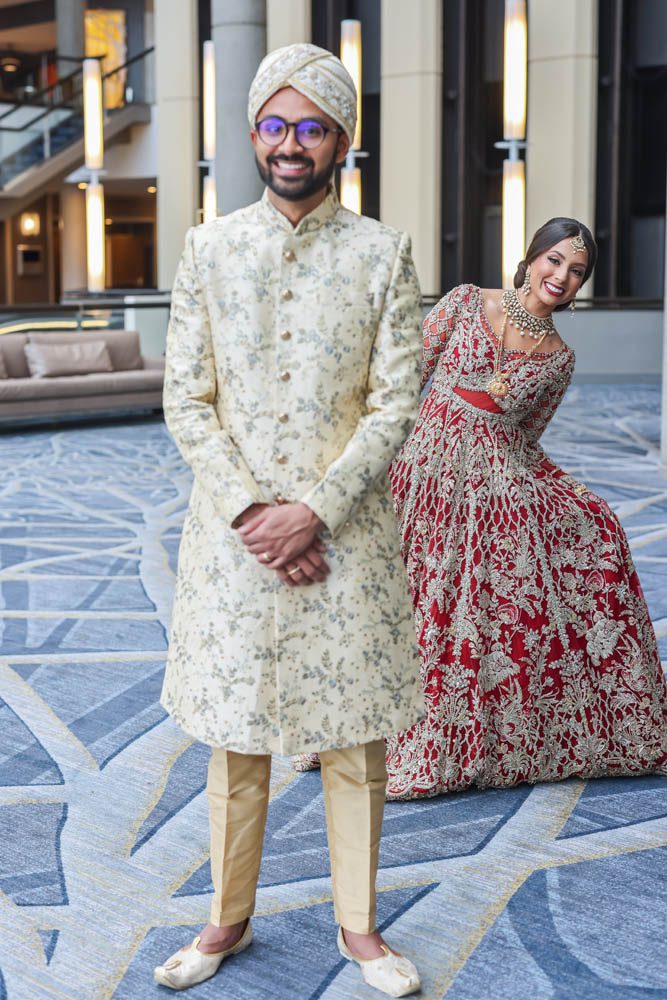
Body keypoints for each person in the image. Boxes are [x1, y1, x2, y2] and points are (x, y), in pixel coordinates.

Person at [154, 44, 424, 996]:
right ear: (252, 136)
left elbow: (394, 404)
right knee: (236, 741)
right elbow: (187, 401)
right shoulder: (209, 249)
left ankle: (360, 930)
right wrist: (256, 515)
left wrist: (313, 513)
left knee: (353, 740)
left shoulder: (382, 253)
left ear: (342, 142)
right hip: (235, 545)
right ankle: (226, 918)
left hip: (342, 541)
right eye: (274, 125)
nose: (290, 144)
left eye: (311, 127)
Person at [382, 218, 667, 799]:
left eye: (577, 271)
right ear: (532, 257)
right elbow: (405, 377)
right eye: (554, 260)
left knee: (594, 529)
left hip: (499, 484)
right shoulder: (466, 303)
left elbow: (528, 435)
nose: (562, 276)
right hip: (424, 471)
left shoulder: (559, 358)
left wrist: (553, 493)